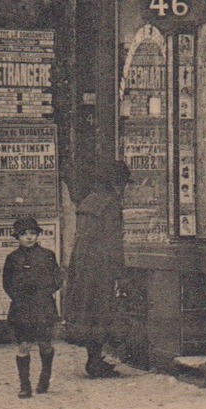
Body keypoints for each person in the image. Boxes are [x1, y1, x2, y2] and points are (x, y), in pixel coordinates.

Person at [64, 158, 129, 379]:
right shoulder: (110, 204)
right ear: (116, 183)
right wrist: (120, 274)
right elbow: (113, 242)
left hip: (83, 266)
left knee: (89, 314)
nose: (123, 190)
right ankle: (94, 362)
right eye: (123, 184)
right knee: (102, 314)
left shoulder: (88, 201)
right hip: (102, 269)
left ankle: (94, 358)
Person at [2, 217, 62, 398]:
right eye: (24, 234)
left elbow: (57, 279)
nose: (28, 238)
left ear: (37, 235)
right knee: (23, 346)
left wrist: (43, 292)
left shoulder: (47, 255)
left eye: (32, 233)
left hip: (43, 306)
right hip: (22, 307)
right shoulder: (12, 258)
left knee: (45, 344)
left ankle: (45, 378)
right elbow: (7, 283)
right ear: (17, 237)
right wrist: (20, 296)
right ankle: (25, 386)